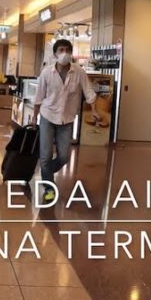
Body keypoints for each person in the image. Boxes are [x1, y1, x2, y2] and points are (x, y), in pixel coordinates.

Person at [32, 39, 103, 203]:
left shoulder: (78, 72)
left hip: (67, 118)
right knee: (45, 155)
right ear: (55, 53)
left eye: (67, 50)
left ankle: (46, 172)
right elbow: (39, 96)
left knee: (64, 156)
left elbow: (88, 91)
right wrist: (35, 116)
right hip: (48, 116)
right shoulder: (47, 72)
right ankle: (49, 187)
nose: (64, 53)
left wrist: (94, 111)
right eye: (61, 50)